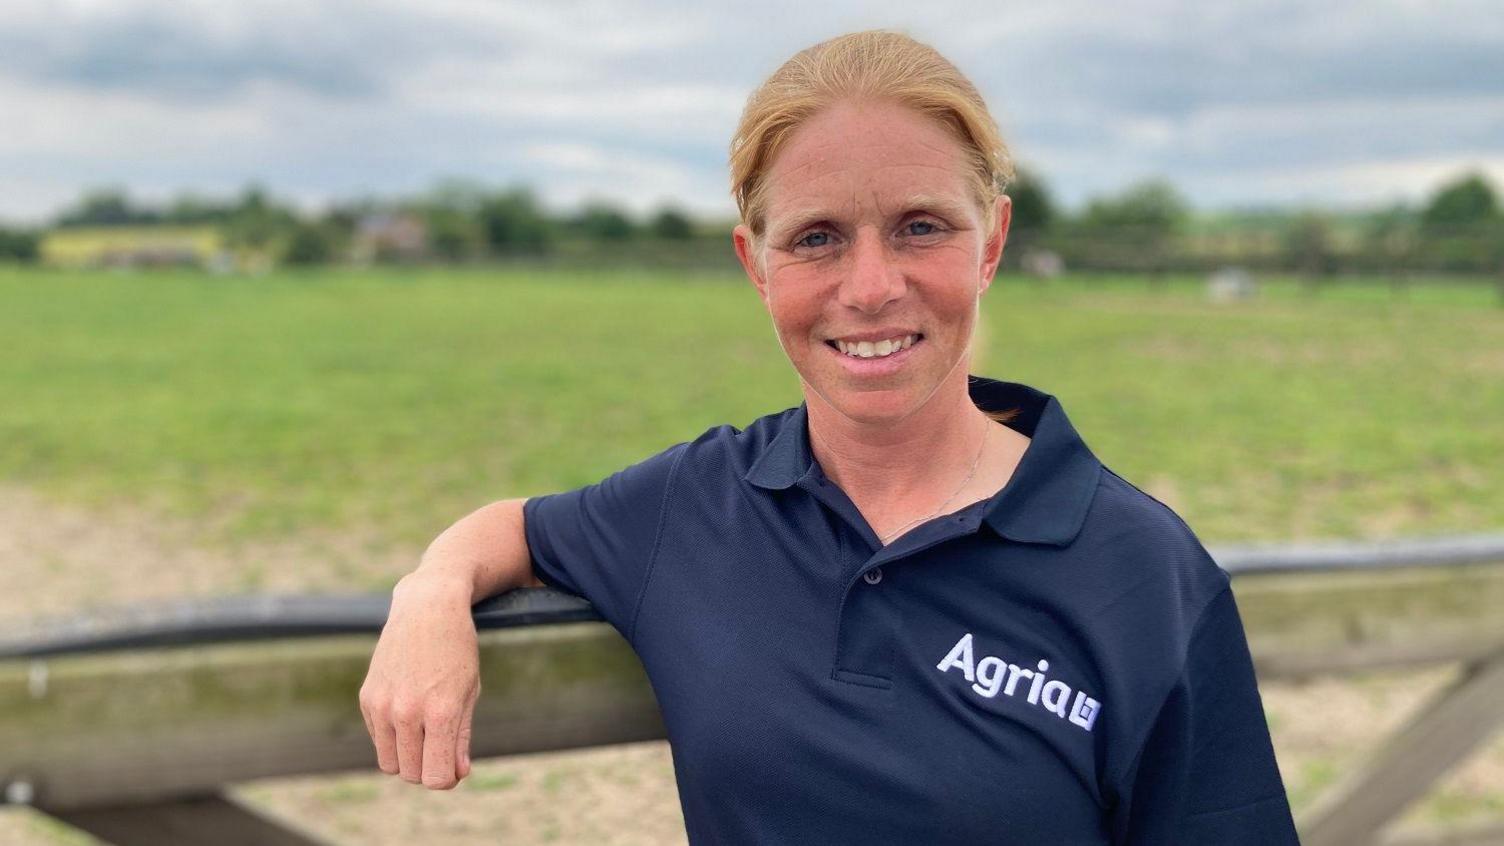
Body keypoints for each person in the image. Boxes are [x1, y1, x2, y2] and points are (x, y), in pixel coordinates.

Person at [360, 30, 1301, 844]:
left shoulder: (1140, 570)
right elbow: (518, 527)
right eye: (816, 238)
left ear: (992, 244)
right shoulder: (698, 505)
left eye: (920, 226)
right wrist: (432, 591)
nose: (870, 285)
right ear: (754, 264)